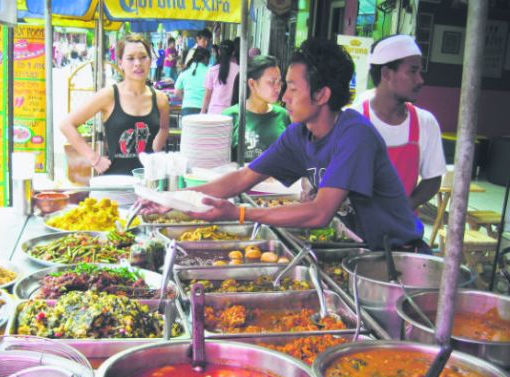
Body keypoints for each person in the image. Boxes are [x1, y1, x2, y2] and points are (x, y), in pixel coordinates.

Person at [142, 38, 425, 253]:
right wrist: (175, 199)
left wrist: (240, 213)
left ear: (321, 94)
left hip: (398, 256)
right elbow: (243, 178)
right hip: (362, 250)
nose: (284, 97)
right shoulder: (299, 134)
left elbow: (319, 212)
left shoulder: (354, 135)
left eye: (292, 87)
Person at [352, 34, 446, 215]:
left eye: (420, 72)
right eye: (412, 71)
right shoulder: (354, 119)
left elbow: (433, 179)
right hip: (354, 227)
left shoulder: (425, 123)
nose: (420, 80)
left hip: (401, 229)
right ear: (387, 74)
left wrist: (405, 206)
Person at [59, 34, 170, 175]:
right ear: (120, 63)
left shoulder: (160, 99)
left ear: (150, 60)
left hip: (148, 181)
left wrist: (154, 151)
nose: (137, 63)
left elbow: (164, 127)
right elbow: (66, 125)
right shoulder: (108, 95)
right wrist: (95, 159)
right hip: (114, 183)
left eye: (143, 57)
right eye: (130, 58)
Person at [223, 55, 290, 165]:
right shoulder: (230, 117)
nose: (277, 88)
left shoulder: (283, 116)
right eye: (271, 82)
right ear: (252, 84)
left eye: (279, 82)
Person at [201, 39, 239, 114]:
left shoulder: (212, 70)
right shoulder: (239, 70)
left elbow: (207, 95)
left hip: (214, 113)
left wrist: (202, 111)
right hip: (232, 113)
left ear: (219, 51)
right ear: (233, 52)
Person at [175, 46, 211, 117]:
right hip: (204, 110)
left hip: (187, 109)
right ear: (205, 58)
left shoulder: (184, 73)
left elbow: (177, 93)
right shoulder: (210, 72)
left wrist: (186, 99)